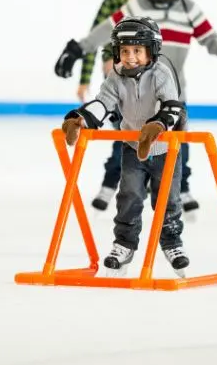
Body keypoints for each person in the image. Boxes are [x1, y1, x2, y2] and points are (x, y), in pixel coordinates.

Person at [54, 0, 217, 214]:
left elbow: (208, 37)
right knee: (129, 138)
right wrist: (78, 48)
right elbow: (107, 29)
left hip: (174, 94)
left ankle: (181, 186)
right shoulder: (138, 5)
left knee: (179, 142)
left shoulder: (189, 9)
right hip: (136, 92)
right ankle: (125, 185)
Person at [61, 17, 189, 277]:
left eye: (137, 51)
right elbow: (103, 102)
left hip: (166, 149)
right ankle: (124, 244)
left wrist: (157, 126)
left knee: (168, 200)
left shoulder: (161, 73)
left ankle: (172, 243)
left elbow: (173, 107)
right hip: (133, 146)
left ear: (151, 51)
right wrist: (81, 119)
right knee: (129, 196)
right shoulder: (115, 76)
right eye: (125, 51)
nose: (130, 57)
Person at [77, 0, 151, 211]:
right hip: (117, 80)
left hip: (149, 80)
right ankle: (110, 185)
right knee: (125, 135)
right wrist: (84, 78)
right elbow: (94, 35)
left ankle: (147, 186)